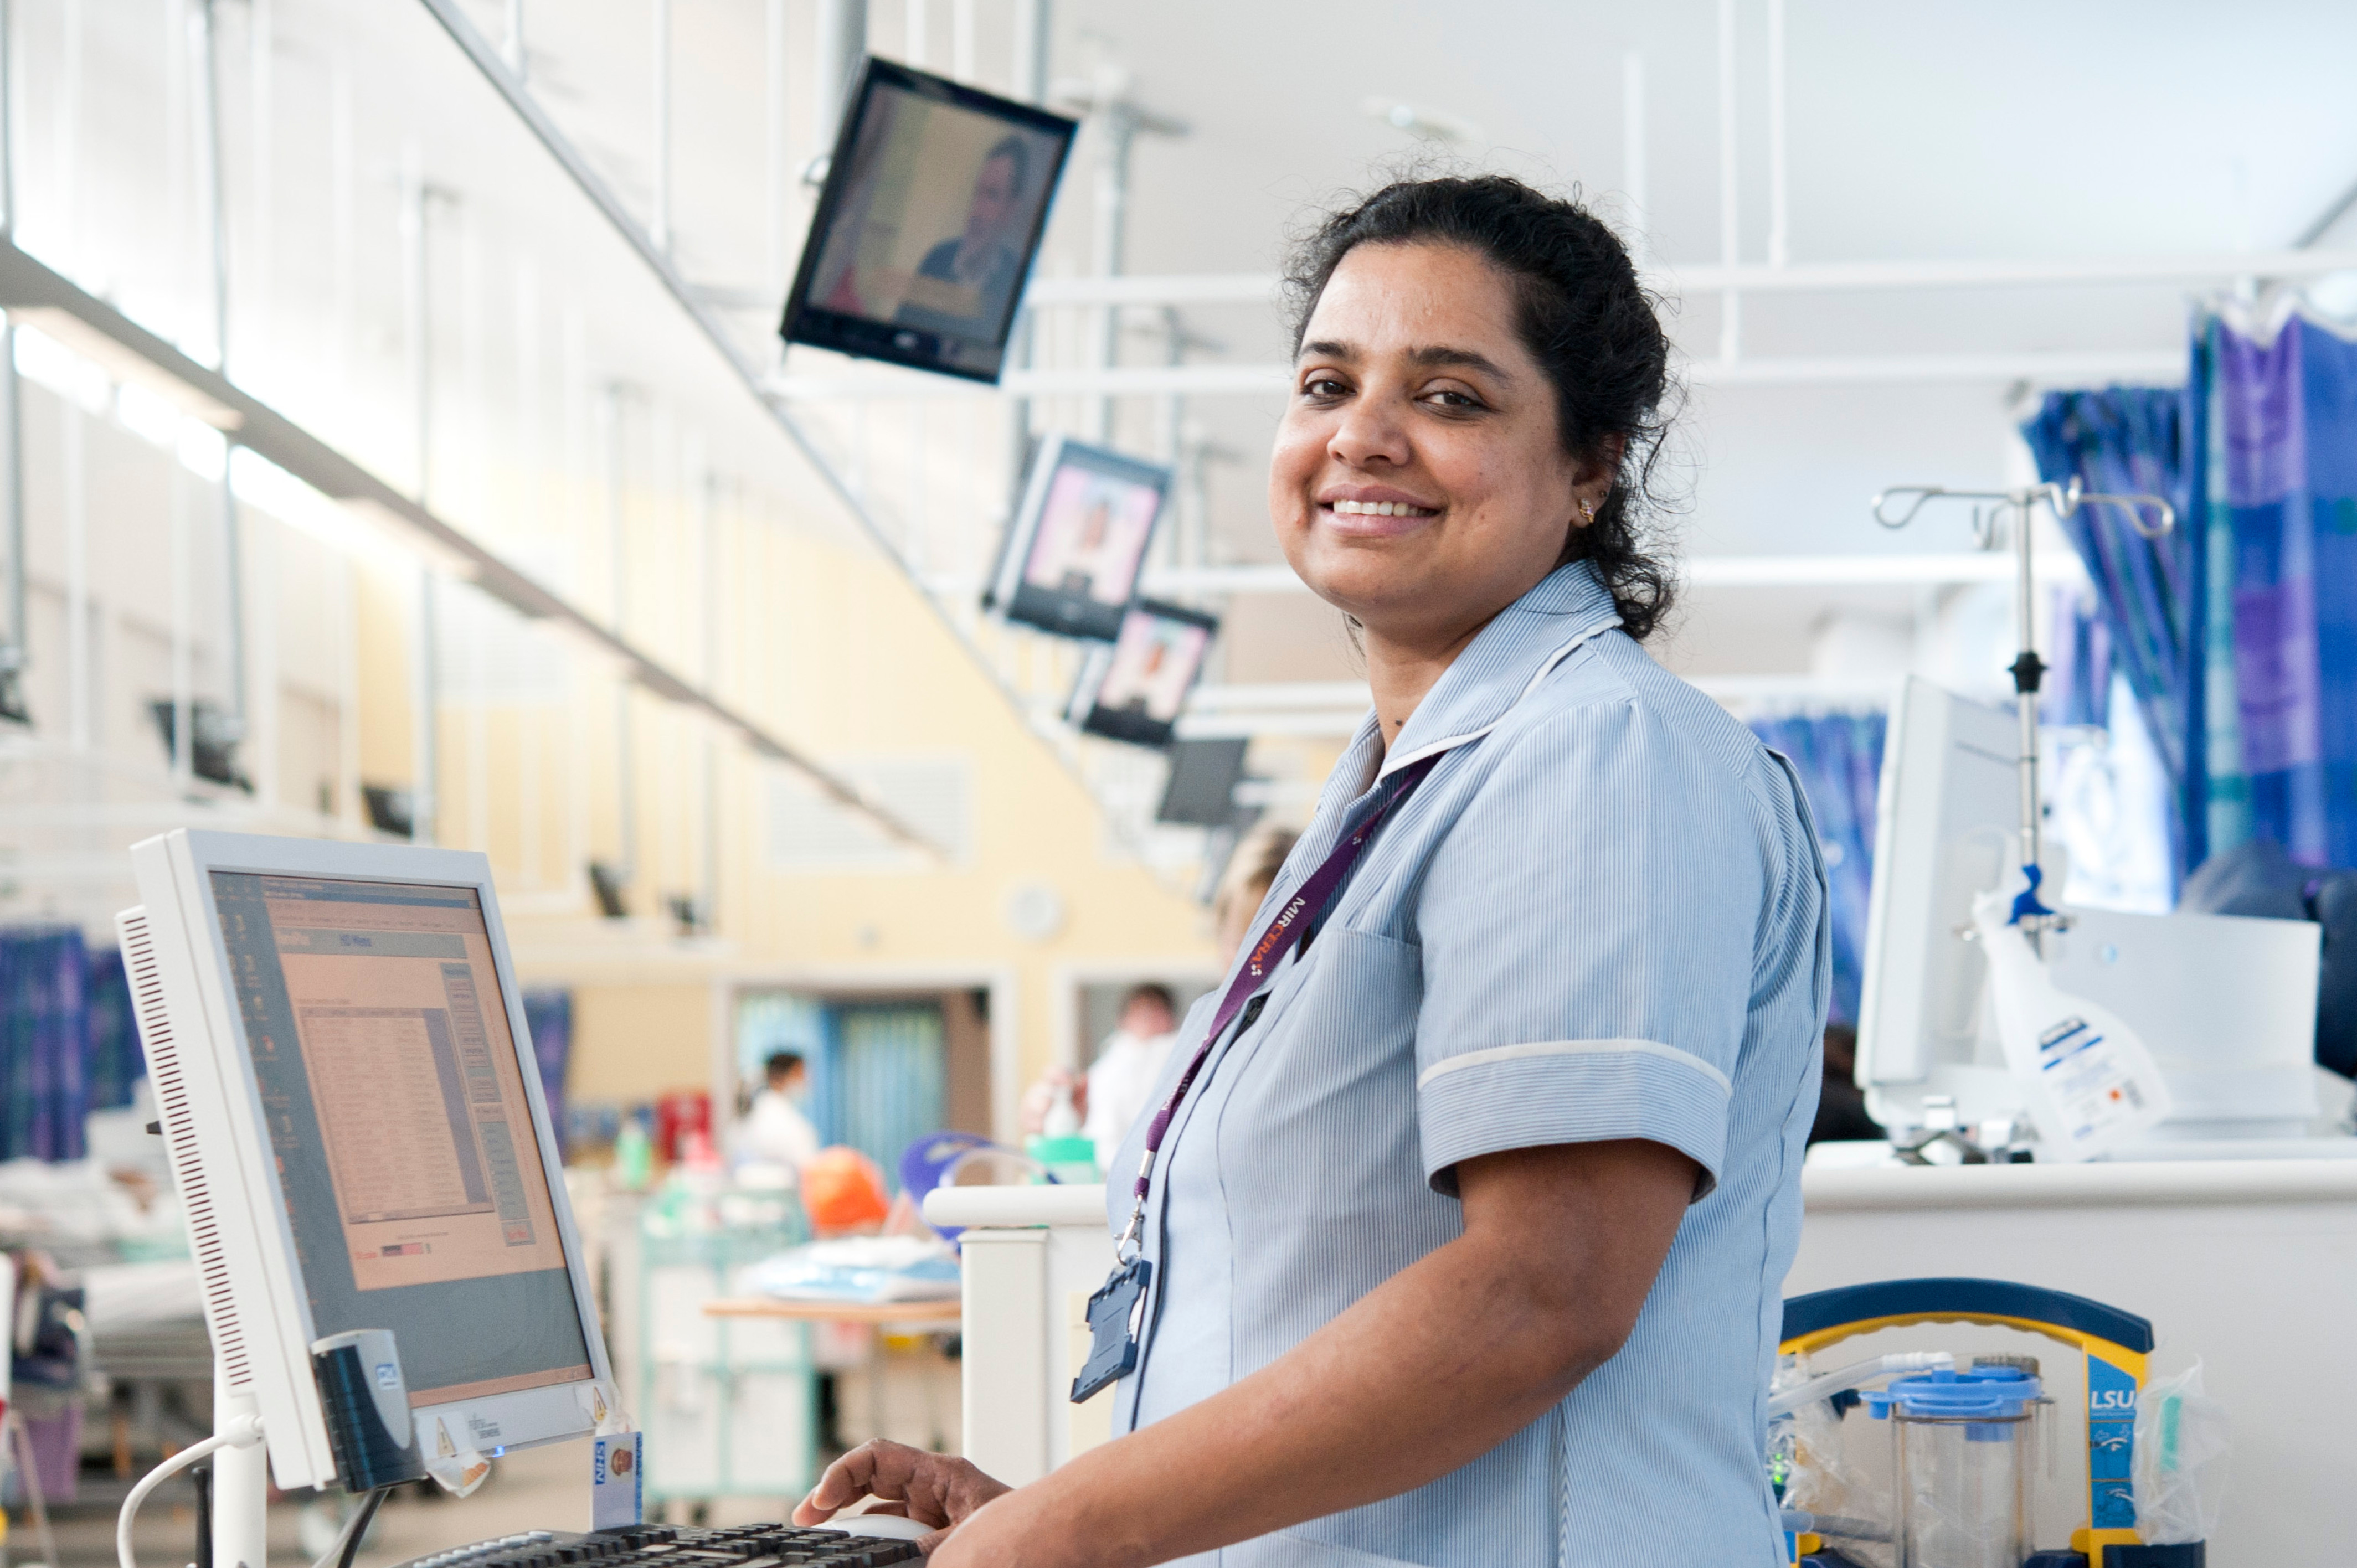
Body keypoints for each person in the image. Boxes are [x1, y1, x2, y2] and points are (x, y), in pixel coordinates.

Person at [800, 175, 1828, 1566]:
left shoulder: (1598, 756)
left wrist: (1071, 1535)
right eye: (1325, 382)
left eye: (1451, 396)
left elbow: (1541, 1292)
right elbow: (1318, 1298)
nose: (1364, 436)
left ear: (1590, 463)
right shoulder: (1398, 789)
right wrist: (1032, 1513)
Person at [894, 135, 1030, 338]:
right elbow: (898, 335)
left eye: (992, 196)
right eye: (978, 193)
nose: (976, 210)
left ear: (1011, 210)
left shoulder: (1016, 277)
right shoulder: (937, 259)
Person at [1078, 984, 1180, 1174]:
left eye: (1155, 1011)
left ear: (1170, 1019)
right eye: (1140, 1011)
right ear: (1123, 1020)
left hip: (1162, 1164)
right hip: (1107, 1166)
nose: (1147, 1018)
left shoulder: (1182, 1057)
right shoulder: (1106, 1067)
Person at [736, 1050, 821, 1176]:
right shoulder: (781, 1119)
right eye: (800, 1073)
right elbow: (808, 1166)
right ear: (780, 1076)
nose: (806, 1080)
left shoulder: (762, 1110)